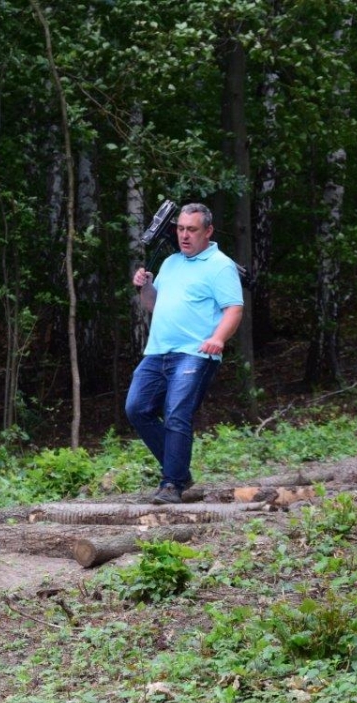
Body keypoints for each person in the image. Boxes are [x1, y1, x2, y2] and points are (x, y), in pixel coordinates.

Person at [125, 203, 243, 505]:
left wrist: (218, 338)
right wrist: (145, 287)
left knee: (177, 412)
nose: (184, 235)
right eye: (180, 229)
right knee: (137, 408)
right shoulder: (171, 262)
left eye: (192, 229)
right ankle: (179, 471)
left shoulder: (220, 265)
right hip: (158, 351)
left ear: (208, 231)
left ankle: (172, 484)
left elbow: (234, 309)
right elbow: (154, 305)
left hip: (195, 353)